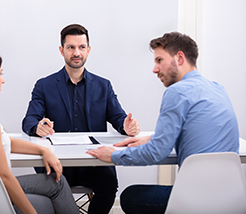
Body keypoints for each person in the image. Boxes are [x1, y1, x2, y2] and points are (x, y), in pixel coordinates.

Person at [86, 32, 239, 214]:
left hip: (194, 199)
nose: (155, 69)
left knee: (129, 196)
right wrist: (154, 138)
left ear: (179, 58)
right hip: (232, 197)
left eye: (159, 60)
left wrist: (113, 155)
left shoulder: (177, 92)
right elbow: (196, 131)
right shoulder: (217, 89)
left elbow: (156, 153)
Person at [22, 24, 141, 214]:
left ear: (88, 50)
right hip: (55, 161)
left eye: (81, 47)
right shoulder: (44, 85)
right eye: (71, 47)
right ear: (62, 50)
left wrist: (126, 127)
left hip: (92, 162)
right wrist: (37, 127)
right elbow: (29, 120)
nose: (76, 52)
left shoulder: (104, 85)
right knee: (49, 190)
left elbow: (119, 117)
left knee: (109, 183)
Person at [0, 48, 79, 214]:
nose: (3, 80)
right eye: (0, 73)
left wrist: (43, 150)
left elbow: (6, 142)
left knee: (56, 183)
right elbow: (4, 176)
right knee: (54, 192)